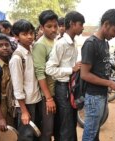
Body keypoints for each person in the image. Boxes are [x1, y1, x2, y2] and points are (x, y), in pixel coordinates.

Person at [80, 9, 115, 141]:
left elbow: (99, 71)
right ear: (106, 24)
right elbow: (85, 74)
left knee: (95, 131)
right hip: (94, 97)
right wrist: (110, 83)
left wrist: (111, 80)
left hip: (102, 94)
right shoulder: (91, 44)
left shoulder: (105, 43)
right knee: (90, 133)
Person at [45, 11, 85, 141]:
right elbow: (49, 69)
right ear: (72, 24)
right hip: (63, 88)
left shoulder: (73, 43)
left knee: (71, 121)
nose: (83, 27)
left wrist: (76, 66)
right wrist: (71, 69)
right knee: (65, 124)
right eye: (81, 24)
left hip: (71, 87)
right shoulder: (61, 44)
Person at [9, 19, 42, 141]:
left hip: (36, 99)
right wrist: (23, 111)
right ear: (16, 37)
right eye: (24, 34)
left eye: (31, 33)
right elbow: (17, 88)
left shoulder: (32, 50)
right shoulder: (17, 58)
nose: (29, 37)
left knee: (35, 133)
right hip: (25, 104)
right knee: (26, 136)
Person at [32, 10, 58, 141]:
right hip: (47, 95)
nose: (53, 29)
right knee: (47, 130)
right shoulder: (40, 45)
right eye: (49, 26)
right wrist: (48, 98)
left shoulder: (55, 42)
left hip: (56, 91)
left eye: (55, 26)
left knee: (53, 128)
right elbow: (40, 73)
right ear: (41, 27)